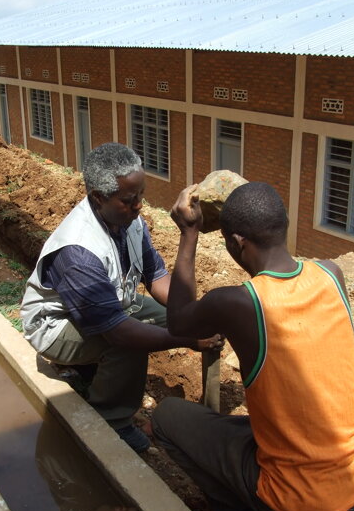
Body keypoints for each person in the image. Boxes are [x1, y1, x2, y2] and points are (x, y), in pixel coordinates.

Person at [151, 182, 354, 511]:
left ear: (237, 243)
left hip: (300, 502)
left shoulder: (238, 303)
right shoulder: (331, 274)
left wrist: (189, 233)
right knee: (250, 426)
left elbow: (179, 321)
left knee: (167, 418)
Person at [20, 143, 224, 452]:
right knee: (129, 344)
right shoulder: (79, 251)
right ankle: (112, 423)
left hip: (110, 304)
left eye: (141, 194)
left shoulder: (129, 221)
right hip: (56, 325)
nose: (139, 206)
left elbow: (156, 278)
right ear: (98, 198)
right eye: (129, 200)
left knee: (175, 318)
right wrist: (186, 339)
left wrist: (193, 317)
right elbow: (118, 332)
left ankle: (93, 370)